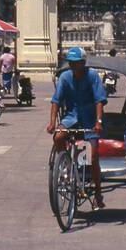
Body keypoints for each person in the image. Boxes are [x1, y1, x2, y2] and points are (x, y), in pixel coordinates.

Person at [48, 46, 107, 209]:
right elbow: (56, 101)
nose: (73, 66)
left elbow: (99, 100)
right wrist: (52, 122)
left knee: (93, 156)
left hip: (90, 119)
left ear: (83, 62)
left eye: (76, 63)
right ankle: (65, 163)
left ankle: (97, 193)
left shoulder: (92, 76)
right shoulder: (65, 77)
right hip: (71, 118)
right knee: (58, 137)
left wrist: (99, 122)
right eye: (71, 63)